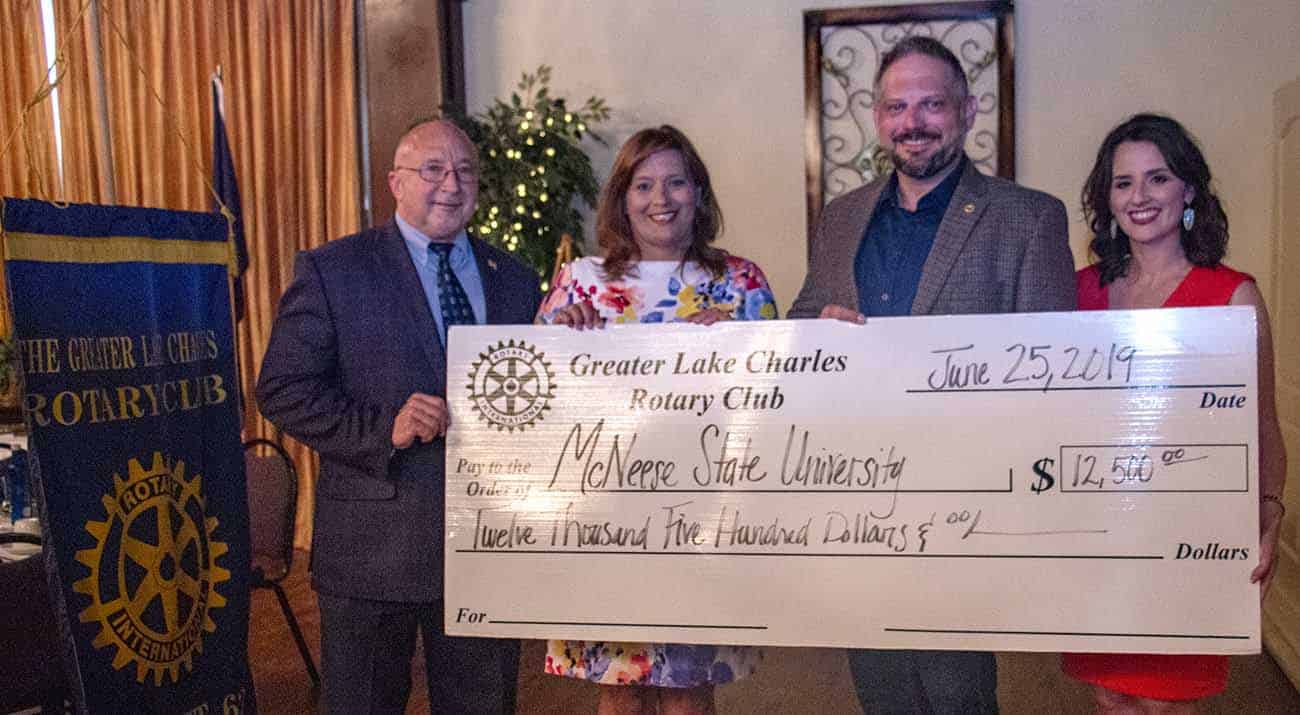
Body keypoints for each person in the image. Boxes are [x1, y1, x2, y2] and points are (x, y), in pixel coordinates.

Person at [789, 36, 1075, 713]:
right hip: (856, 499)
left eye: (931, 103)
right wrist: (815, 332)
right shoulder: (841, 216)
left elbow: (1058, 372)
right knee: (880, 686)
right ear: (878, 118)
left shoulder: (1028, 217)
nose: (912, 121)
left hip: (965, 500)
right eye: (896, 106)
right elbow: (803, 320)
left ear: (967, 110)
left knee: (956, 689)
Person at [256, 119, 538, 714]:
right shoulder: (334, 270)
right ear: (396, 183)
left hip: (486, 549)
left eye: (464, 171)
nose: (450, 184)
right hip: (371, 555)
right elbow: (281, 390)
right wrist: (385, 426)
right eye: (432, 169)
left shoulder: (514, 278)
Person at [538, 125, 776, 714]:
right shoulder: (581, 283)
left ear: (698, 192)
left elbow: (779, 397)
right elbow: (538, 401)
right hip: (604, 517)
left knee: (689, 690)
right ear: (622, 198)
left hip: (706, 516)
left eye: (675, 182)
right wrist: (559, 334)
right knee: (620, 689)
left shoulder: (739, 282)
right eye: (642, 184)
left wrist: (739, 344)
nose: (659, 198)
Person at [1063, 113, 1288, 714]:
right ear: (1106, 199)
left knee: (1167, 704)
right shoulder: (1077, 292)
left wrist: (1269, 518)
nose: (1140, 197)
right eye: (1123, 183)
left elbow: (1261, 424)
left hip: (1187, 534)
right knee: (1110, 695)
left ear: (1187, 189)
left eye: (1157, 178)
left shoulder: (1231, 294)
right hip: (1099, 531)